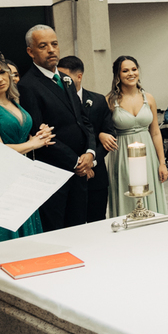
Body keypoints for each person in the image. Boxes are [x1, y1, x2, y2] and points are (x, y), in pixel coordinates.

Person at [16, 25, 95, 231]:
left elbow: (83, 121)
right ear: (30, 52)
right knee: (58, 230)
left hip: (81, 166)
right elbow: (41, 135)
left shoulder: (66, 80)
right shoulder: (28, 85)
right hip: (54, 170)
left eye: (54, 44)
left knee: (79, 226)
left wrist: (90, 153)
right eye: (43, 46)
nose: (51, 50)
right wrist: (76, 161)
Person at [0, 51, 52, 242]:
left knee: (26, 228)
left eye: (2, 72)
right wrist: (32, 144)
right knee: (6, 232)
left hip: (21, 172)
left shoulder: (13, 100)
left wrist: (39, 135)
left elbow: (20, 135)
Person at [100, 56, 167, 217]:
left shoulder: (148, 98)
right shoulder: (109, 101)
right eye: (125, 70)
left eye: (134, 69)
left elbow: (156, 132)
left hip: (148, 154)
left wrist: (162, 162)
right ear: (117, 75)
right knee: (126, 192)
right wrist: (102, 135)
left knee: (149, 192)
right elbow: (99, 128)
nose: (131, 73)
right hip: (123, 153)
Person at [57, 56, 112, 222]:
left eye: (65, 77)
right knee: (73, 224)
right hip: (69, 172)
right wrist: (80, 164)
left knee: (98, 220)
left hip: (96, 174)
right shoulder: (57, 101)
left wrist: (91, 162)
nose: (61, 81)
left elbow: (109, 135)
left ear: (79, 76)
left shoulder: (98, 100)